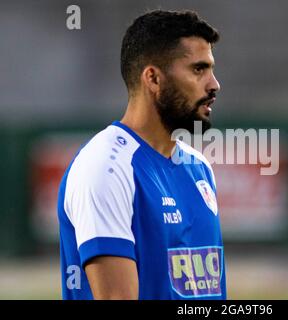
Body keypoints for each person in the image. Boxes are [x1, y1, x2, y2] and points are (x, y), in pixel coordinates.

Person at [57, 9, 226, 300]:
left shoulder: (198, 168)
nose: (214, 85)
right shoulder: (106, 168)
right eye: (199, 69)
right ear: (153, 78)